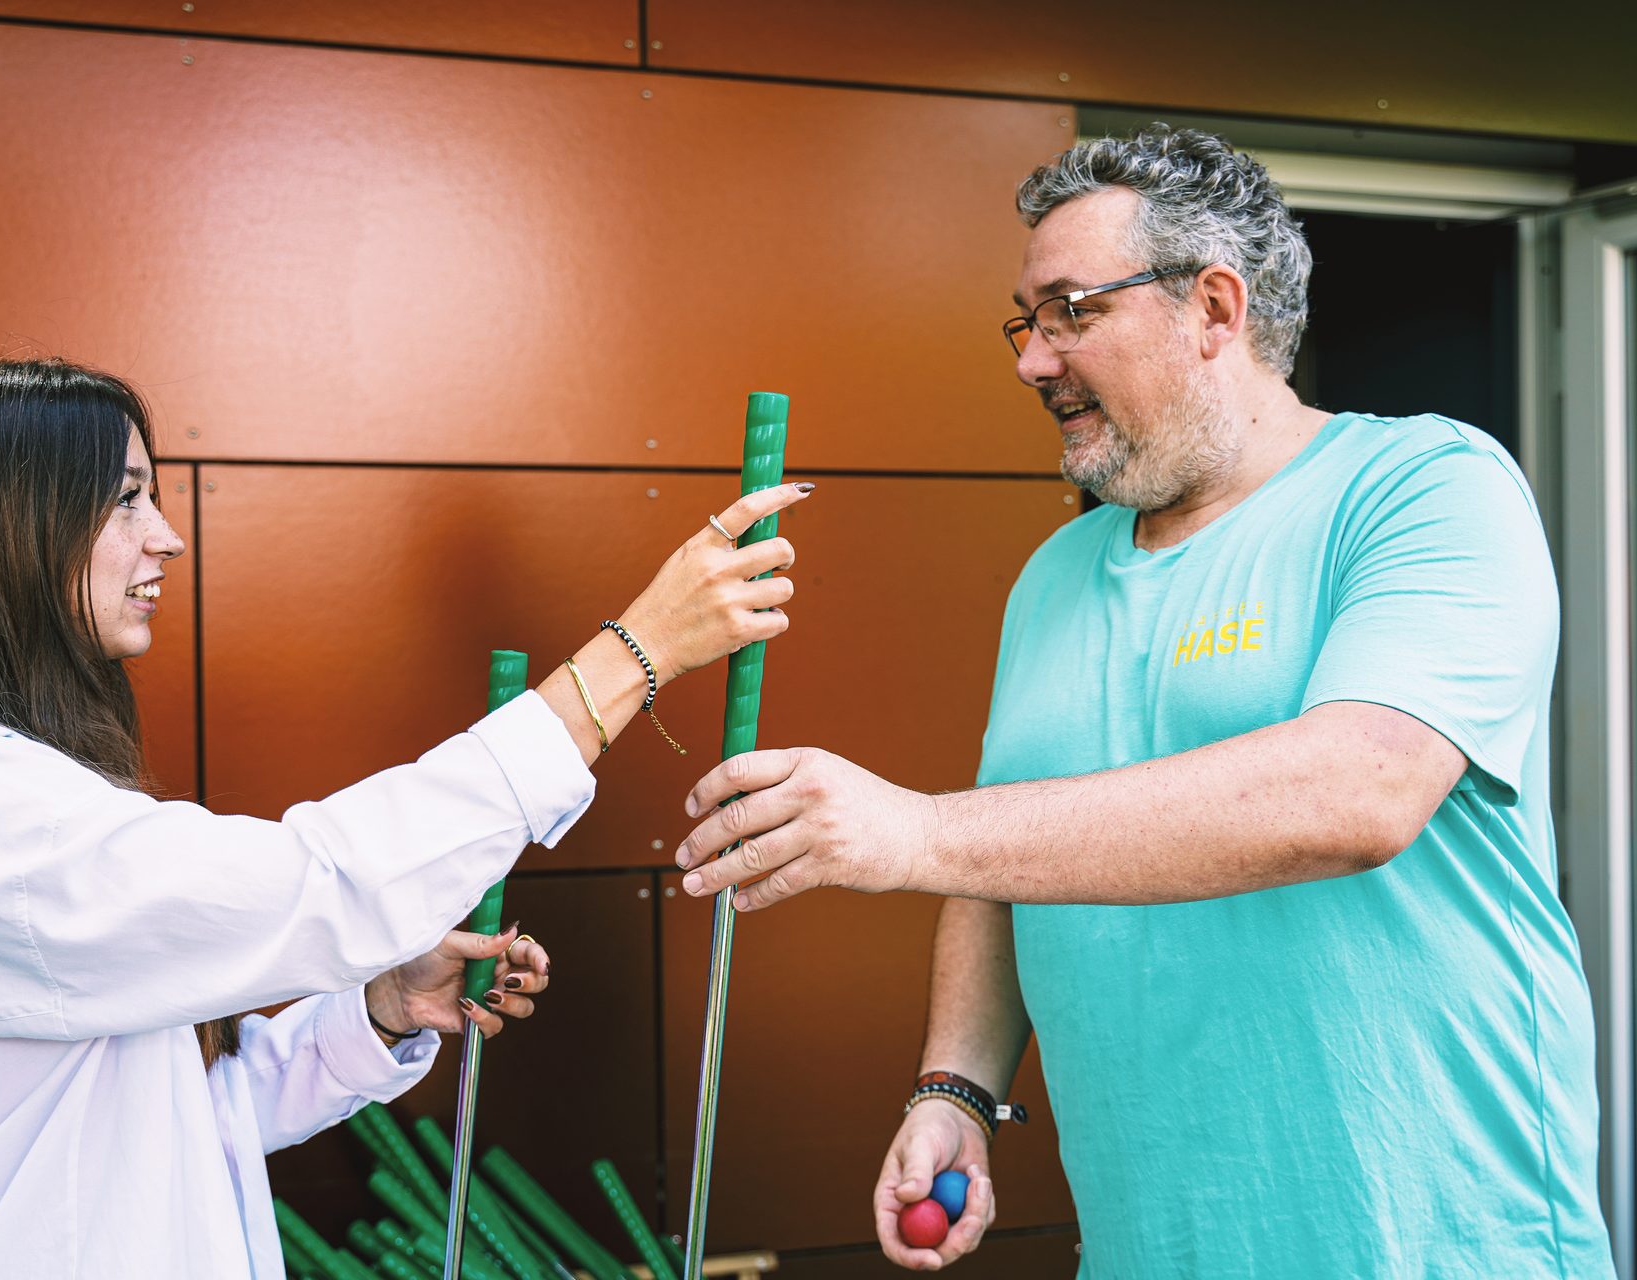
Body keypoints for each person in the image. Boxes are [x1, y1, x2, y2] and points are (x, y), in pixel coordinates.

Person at [670, 127, 1615, 1276]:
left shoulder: (1425, 487)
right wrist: (957, 1084)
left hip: (1424, 1238)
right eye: (1027, 320)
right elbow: (1001, 847)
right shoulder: (1055, 575)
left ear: (1215, 309)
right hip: (1152, 1241)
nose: (1031, 358)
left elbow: (1361, 790)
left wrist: (910, 829)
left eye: (1072, 310)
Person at [0, 356, 811, 1278]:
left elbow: (172, 1123)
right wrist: (628, 657)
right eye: (126, 496)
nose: (165, 535)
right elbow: (322, 883)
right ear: (2, 528)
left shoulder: (15, 799)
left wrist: (377, 1009)